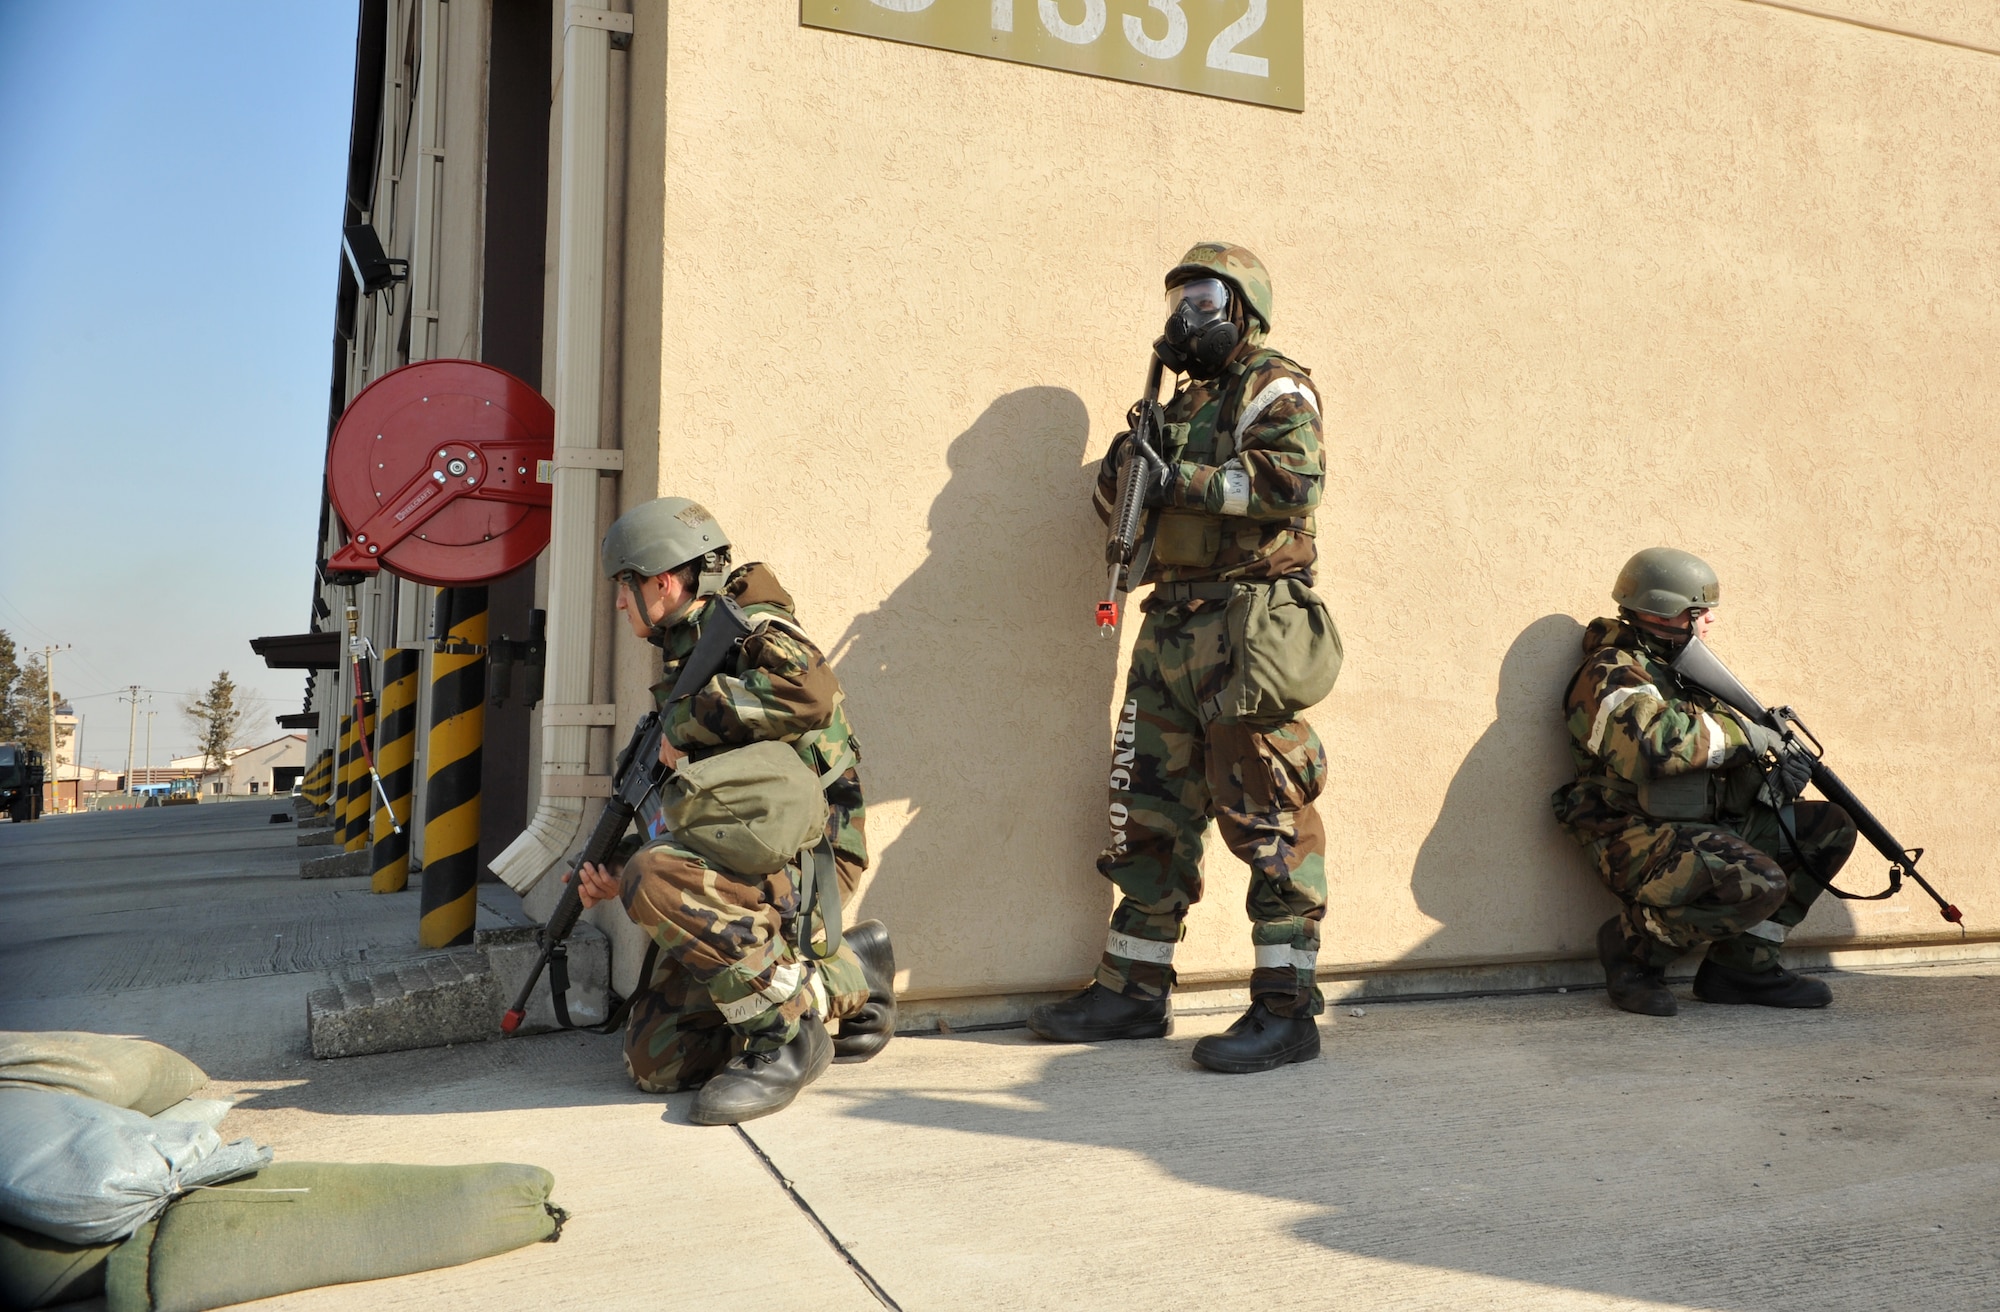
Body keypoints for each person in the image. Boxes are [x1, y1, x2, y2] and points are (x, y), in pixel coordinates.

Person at [1029, 242, 1338, 1074]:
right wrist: (1126, 472)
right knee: (1149, 811)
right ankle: (1132, 989)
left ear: (1244, 307)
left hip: (1246, 624)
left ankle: (1285, 1008)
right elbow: (1126, 508)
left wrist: (1182, 483)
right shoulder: (1176, 402)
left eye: (1204, 299)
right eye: (1177, 300)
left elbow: (1290, 485)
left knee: (1265, 811)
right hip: (1169, 623)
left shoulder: (1272, 385)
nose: (1184, 317)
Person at [571, 497, 896, 1124]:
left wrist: (688, 722)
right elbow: (694, 808)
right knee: (655, 1063)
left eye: (624, 585)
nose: (619, 603)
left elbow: (811, 689)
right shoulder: (686, 655)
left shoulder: (753, 628)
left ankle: (787, 1040)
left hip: (809, 859)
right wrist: (616, 873)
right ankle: (846, 976)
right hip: (746, 866)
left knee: (655, 875)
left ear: (662, 582)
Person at [1553, 547, 1858, 1016]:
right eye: (1698, 611)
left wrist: (1769, 783)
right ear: (1662, 611)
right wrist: (1746, 735)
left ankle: (1743, 967)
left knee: (1829, 827)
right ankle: (1632, 951)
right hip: (1629, 832)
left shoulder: (1679, 672)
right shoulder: (1611, 670)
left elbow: (1710, 766)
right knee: (1758, 880)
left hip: (1695, 824)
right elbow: (1650, 748)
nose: (1709, 620)